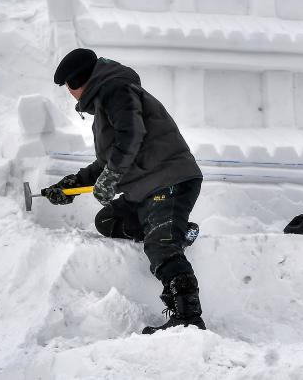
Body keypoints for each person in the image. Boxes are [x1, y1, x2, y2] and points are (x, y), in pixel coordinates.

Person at [42, 48, 206, 334]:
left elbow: (131, 136)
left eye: (67, 87)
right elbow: (109, 160)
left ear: (74, 84)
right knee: (108, 220)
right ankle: (175, 229)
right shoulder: (106, 103)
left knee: (160, 246)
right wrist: (70, 186)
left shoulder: (116, 90)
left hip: (168, 180)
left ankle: (189, 316)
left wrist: (112, 176)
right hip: (146, 188)